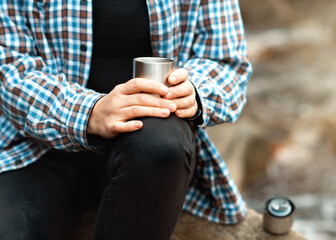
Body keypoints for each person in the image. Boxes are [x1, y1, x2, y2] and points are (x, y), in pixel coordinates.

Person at [0, 0, 252, 239]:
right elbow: (9, 66)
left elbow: (227, 62)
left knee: (160, 144)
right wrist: (91, 112)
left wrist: (193, 92)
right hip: (38, 146)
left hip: (152, 147)